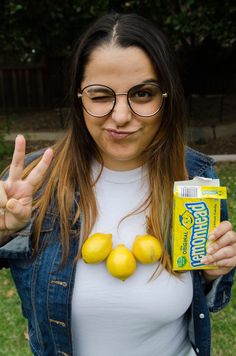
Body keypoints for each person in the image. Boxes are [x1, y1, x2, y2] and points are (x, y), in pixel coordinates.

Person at [0, 13, 235, 356]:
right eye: (100, 96)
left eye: (142, 93)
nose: (121, 115)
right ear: (78, 97)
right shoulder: (34, 184)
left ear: (165, 97)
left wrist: (215, 272)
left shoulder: (195, 176)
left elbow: (208, 298)